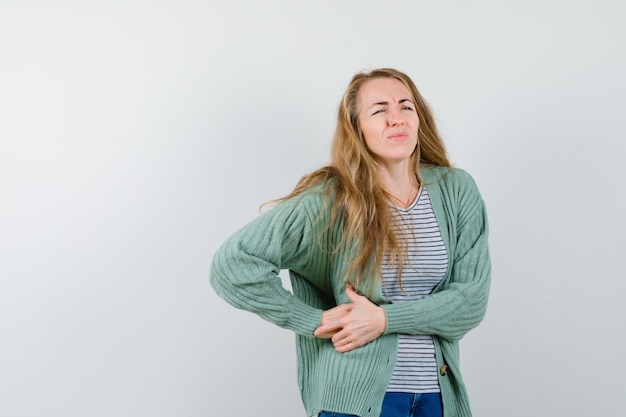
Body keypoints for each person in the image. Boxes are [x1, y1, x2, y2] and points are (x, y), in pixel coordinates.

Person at [210, 68, 490, 417]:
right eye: (379, 110)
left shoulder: (456, 189)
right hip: (353, 399)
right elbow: (232, 265)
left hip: (437, 399)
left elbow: (470, 303)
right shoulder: (332, 198)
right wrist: (313, 320)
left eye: (406, 106)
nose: (396, 118)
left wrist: (383, 319)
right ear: (358, 128)